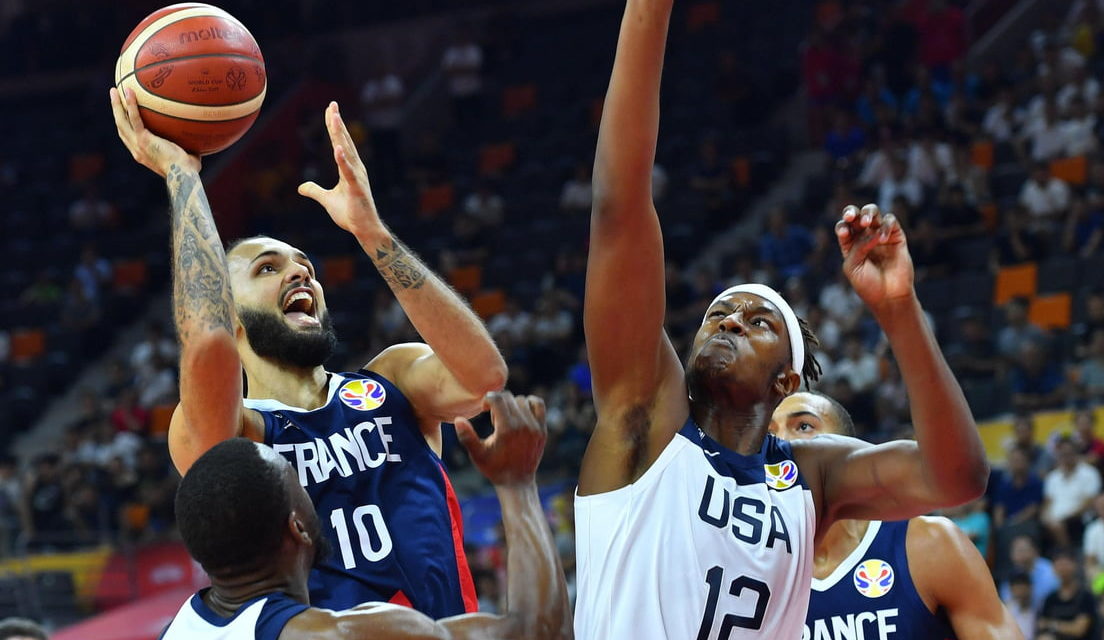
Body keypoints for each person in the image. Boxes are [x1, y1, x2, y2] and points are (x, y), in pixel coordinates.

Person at [574, 0, 988, 636]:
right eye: (718, 315)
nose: (732, 322)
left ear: (786, 384)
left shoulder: (809, 478)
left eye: (759, 322)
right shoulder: (644, 419)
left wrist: (900, 311)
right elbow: (619, 207)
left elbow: (956, 476)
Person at [109, 90, 507, 614]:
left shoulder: (392, 380)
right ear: (228, 312)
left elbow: (485, 378)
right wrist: (182, 174)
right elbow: (206, 342)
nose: (301, 272)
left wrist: (372, 233)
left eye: (304, 266)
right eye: (266, 269)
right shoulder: (236, 432)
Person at [162, 392, 570, 639]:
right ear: (298, 527)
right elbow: (540, 634)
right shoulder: (338, 635)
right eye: (301, 485)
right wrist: (517, 484)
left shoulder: (177, 631)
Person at [769, 391, 1019, 639]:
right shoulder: (750, 573)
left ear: (846, 450)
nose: (782, 443)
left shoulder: (929, 544)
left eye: (803, 426)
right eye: (768, 435)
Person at [1043, 437, 1103, 548]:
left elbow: (1088, 503)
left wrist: (1064, 518)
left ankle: (1067, 552)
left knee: (1058, 526)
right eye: (1063, 454)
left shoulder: (1089, 473)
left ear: (1076, 453)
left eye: (1069, 453)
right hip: (1054, 521)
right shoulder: (1053, 477)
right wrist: (1045, 517)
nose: (1066, 457)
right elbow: (1048, 502)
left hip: (1078, 518)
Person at [1037, 550, 1097, 639]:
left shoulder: (1086, 596)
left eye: (1065, 564)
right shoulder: (1050, 599)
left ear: (1075, 565)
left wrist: (1052, 624)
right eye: (1059, 564)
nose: (1062, 568)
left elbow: (1079, 629)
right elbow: (1041, 624)